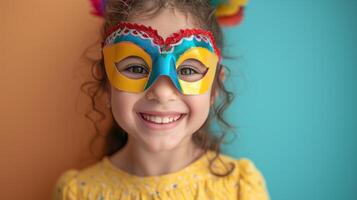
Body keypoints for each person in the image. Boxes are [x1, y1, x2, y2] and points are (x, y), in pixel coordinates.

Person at [53, 0, 270, 199]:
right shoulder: (77, 193)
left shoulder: (240, 188)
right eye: (136, 68)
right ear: (106, 83)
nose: (163, 93)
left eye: (187, 69)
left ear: (215, 88)